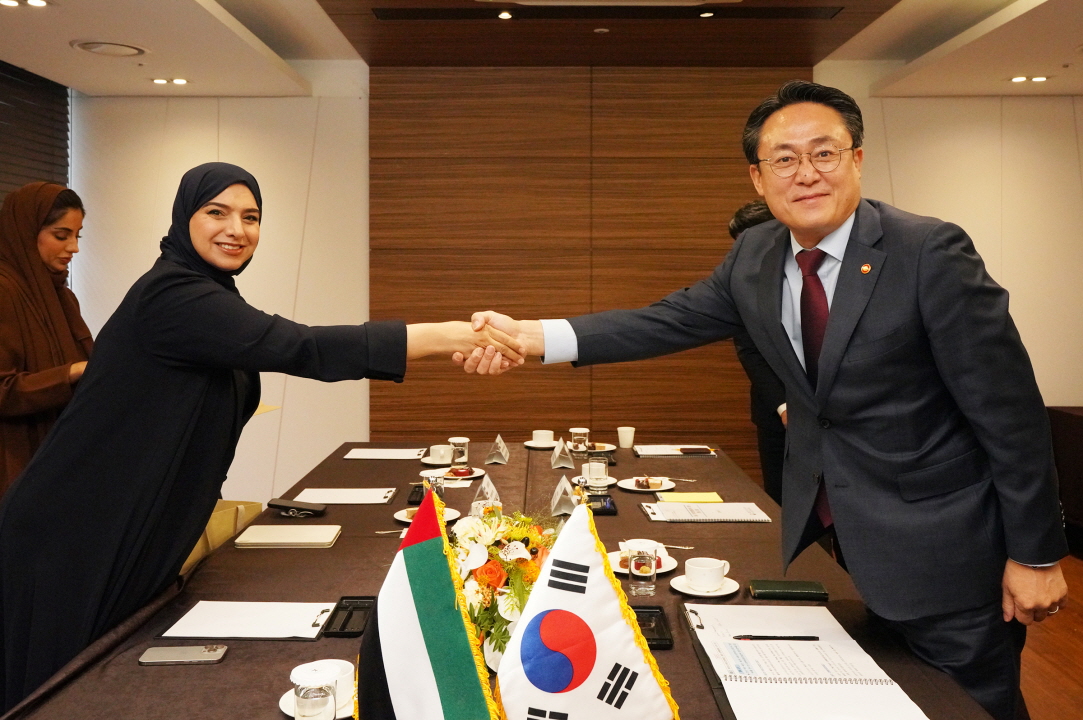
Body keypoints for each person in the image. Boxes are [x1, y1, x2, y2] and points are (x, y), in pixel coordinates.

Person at [460, 82, 1069, 720]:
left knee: (973, 707)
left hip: (949, 551)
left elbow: (1011, 414)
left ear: (857, 159)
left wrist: (1035, 554)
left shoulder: (928, 252)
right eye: (784, 159)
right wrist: (531, 337)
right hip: (851, 545)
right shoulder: (756, 255)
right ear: (758, 177)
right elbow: (663, 321)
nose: (805, 173)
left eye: (824, 153)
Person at [0, 162, 522, 711]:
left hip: (123, 521)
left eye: (251, 217)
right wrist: (451, 336)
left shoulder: (210, 293)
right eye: (217, 212)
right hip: (72, 534)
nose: (237, 229)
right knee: (63, 694)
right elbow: (304, 348)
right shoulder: (172, 295)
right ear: (185, 217)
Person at [0, 183, 93, 495]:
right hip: (14, 465)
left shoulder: (62, 296)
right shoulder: (4, 291)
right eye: (61, 235)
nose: (74, 248)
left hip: (57, 460)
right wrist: (71, 373)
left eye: (77, 236)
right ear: (27, 232)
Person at [728, 200, 786, 505]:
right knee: (782, 501)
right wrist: (783, 405)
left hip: (842, 420)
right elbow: (749, 350)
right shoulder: (742, 285)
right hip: (774, 414)